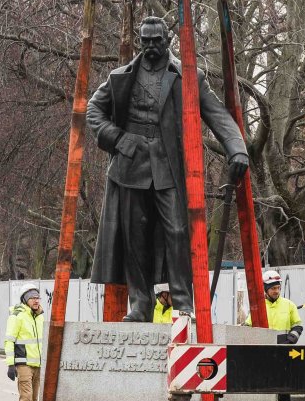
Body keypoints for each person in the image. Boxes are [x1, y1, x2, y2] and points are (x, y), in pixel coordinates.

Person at [86, 16, 249, 323]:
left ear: (167, 41)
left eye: (156, 41)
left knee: (177, 231)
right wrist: (117, 139)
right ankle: (140, 305)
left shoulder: (188, 76)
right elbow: (93, 109)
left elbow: (218, 115)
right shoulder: (122, 76)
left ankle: (183, 303)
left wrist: (237, 149)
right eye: (145, 41)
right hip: (130, 166)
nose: (150, 46)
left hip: (167, 166)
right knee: (135, 239)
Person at [245, 270, 303, 401]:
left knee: (283, 390)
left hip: (283, 352)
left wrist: (291, 340)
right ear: (265, 289)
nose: (276, 291)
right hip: (263, 352)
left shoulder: (289, 305)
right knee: (260, 390)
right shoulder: (258, 306)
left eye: (278, 288)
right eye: (273, 289)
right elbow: (250, 326)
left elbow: (298, 326)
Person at [5, 283, 45, 401]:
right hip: (22, 364)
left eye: (37, 297)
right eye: (32, 298)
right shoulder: (17, 316)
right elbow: (9, 340)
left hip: (37, 364)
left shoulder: (40, 316)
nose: (36, 301)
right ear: (25, 300)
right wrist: (10, 364)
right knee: (26, 400)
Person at [147, 283, 174, 401]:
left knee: (170, 396)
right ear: (163, 294)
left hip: (171, 359)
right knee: (152, 395)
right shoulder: (150, 309)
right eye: (172, 294)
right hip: (152, 359)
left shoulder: (176, 311)